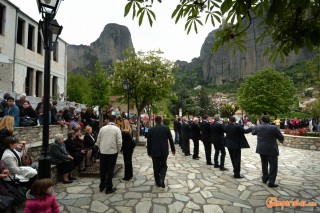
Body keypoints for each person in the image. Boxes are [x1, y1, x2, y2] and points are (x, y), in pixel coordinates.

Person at [252, 115, 284, 187]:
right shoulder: (273, 128)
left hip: (261, 148)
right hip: (271, 149)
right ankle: (271, 182)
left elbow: (253, 132)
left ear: (261, 120)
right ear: (269, 120)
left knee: (264, 164)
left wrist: (254, 127)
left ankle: (265, 178)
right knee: (273, 166)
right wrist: (281, 141)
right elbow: (281, 137)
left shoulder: (258, 127)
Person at [96, 115, 122, 194]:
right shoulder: (117, 129)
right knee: (110, 170)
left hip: (103, 151)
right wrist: (118, 150)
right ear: (114, 120)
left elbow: (98, 140)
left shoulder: (102, 128)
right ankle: (108, 188)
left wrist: (101, 148)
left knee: (103, 169)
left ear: (108, 120)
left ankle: (102, 185)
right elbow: (119, 142)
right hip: (112, 152)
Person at [147, 115, 175, 188]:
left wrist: (149, 152)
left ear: (155, 121)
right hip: (164, 151)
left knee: (155, 166)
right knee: (163, 165)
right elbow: (171, 139)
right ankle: (161, 179)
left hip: (154, 151)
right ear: (161, 120)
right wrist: (173, 149)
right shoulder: (166, 128)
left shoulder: (151, 129)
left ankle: (158, 182)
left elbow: (148, 142)